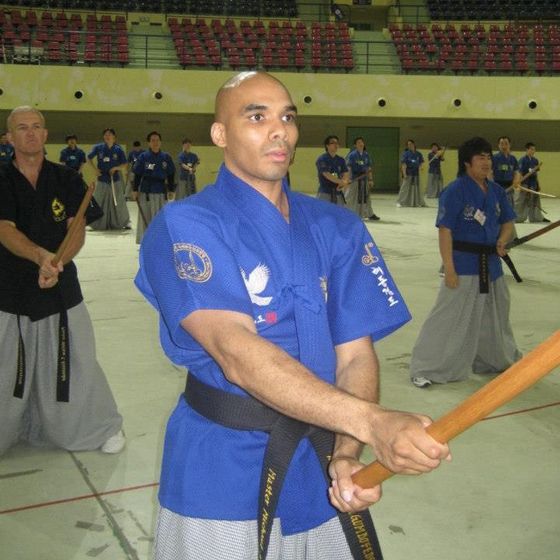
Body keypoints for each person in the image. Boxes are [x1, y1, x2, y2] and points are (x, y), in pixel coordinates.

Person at [135, 71, 449, 560]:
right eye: (256, 116)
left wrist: (347, 454)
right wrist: (373, 423)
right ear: (220, 135)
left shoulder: (337, 225)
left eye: (287, 116)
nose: (279, 129)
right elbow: (236, 353)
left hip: (321, 461)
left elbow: (355, 356)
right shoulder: (186, 224)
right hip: (220, 466)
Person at [0, 106, 125, 456]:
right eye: (21, 127)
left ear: (45, 134)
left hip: (61, 289)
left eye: (36, 126)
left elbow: (76, 231)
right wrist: (43, 258)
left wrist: (58, 263)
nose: (29, 133)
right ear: (9, 138)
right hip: (9, 290)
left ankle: (97, 427)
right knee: (6, 365)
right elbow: (5, 230)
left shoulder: (67, 179)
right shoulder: (2, 179)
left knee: (77, 361)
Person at [409, 136, 522, 388]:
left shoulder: (495, 191)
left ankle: (494, 361)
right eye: (481, 157)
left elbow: (508, 223)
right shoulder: (455, 190)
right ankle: (426, 367)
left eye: (488, 157)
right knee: (449, 317)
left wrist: (503, 240)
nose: (487, 162)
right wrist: (449, 268)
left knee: (496, 316)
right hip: (463, 263)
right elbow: (445, 231)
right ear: (467, 163)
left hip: (492, 265)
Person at [132, 131, 176, 244]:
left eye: (157, 140)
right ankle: (145, 239)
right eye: (153, 140)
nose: (155, 142)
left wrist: (171, 189)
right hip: (146, 190)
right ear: (148, 143)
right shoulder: (143, 157)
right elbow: (137, 174)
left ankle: (160, 239)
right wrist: (135, 189)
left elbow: (171, 174)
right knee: (146, 215)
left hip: (161, 190)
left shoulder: (166, 157)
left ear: (160, 142)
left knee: (160, 216)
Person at [87, 128, 131, 230]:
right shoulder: (98, 148)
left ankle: (124, 221)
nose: (107, 136)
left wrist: (116, 168)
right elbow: (88, 158)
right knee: (98, 200)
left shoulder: (118, 149)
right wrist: (95, 170)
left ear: (114, 137)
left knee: (118, 201)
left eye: (110, 134)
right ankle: (94, 223)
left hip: (114, 179)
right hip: (102, 178)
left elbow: (124, 164)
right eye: (106, 134)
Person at [345, 137, 380, 220]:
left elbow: (369, 168)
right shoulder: (352, 155)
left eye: (362, 142)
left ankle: (369, 213)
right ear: (355, 145)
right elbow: (349, 168)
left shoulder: (366, 155)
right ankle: (347, 213)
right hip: (355, 179)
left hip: (364, 179)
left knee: (366, 197)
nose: (361, 144)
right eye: (358, 142)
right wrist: (348, 178)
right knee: (351, 197)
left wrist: (370, 179)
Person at [515, 142, 550, 224]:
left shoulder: (535, 160)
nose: (533, 151)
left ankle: (536, 217)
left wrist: (538, 184)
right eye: (531, 149)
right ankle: (517, 217)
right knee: (521, 201)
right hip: (525, 183)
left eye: (534, 149)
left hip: (533, 184)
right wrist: (519, 184)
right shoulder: (522, 160)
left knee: (535, 201)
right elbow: (519, 172)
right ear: (527, 149)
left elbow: (536, 174)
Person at [316, 135, 349, 205]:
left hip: (338, 192)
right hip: (325, 192)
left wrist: (344, 182)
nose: (336, 145)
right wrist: (340, 181)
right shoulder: (322, 159)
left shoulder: (341, 160)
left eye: (337, 143)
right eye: (333, 143)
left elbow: (345, 173)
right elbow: (327, 174)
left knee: (339, 214)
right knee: (323, 214)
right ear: (327, 145)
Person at [491, 135, 520, 209]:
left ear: (510, 145)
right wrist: (492, 186)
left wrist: (515, 181)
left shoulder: (513, 159)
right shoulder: (494, 158)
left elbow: (516, 172)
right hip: (497, 187)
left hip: (509, 187)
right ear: (498, 145)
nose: (504, 146)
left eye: (506, 144)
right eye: (501, 144)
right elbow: (489, 173)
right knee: (497, 209)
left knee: (509, 208)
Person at [397, 139, 425, 207]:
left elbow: (421, 162)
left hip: (416, 174)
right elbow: (404, 164)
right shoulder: (405, 154)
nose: (410, 145)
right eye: (408, 144)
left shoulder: (418, 154)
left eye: (411, 144)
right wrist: (404, 174)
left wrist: (421, 167)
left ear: (414, 144)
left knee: (416, 188)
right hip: (408, 173)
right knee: (405, 188)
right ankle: (400, 202)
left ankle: (417, 202)